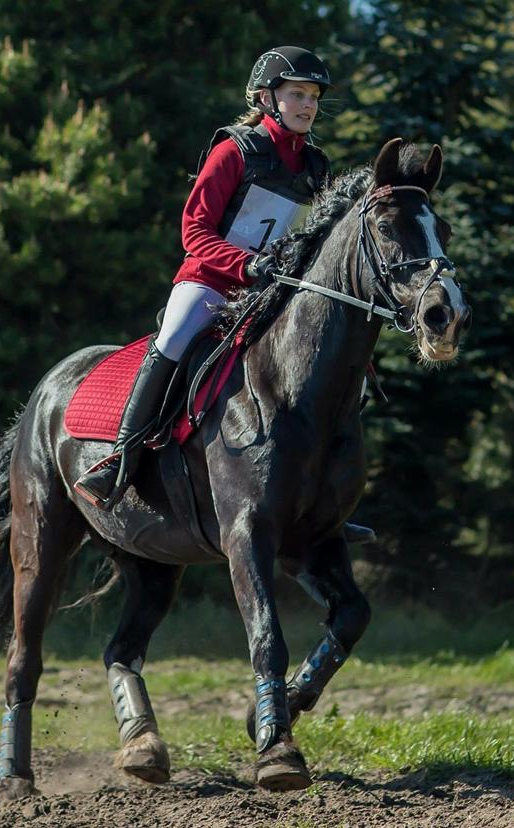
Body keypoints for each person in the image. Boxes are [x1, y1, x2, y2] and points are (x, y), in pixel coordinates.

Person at [74, 46, 335, 512]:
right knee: (173, 338)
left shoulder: (316, 168)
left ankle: (324, 500)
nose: (308, 105)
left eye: (313, 96)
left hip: (271, 291)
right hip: (211, 281)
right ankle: (120, 460)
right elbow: (193, 230)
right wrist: (244, 265)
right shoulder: (233, 150)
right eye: (297, 94)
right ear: (266, 98)